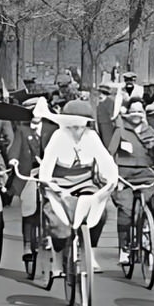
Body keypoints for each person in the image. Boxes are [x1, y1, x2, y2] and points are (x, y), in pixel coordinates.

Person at [38, 99, 117, 279]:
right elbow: (46, 168)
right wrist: (52, 186)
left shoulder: (92, 137)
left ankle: (90, 252)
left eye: (81, 126)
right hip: (58, 184)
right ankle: (58, 258)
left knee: (99, 214)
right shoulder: (57, 137)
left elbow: (106, 161)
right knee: (60, 225)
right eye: (72, 126)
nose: (77, 130)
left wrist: (111, 180)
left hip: (85, 183)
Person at [107, 96, 154, 267]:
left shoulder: (149, 131)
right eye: (133, 111)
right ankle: (124, 247)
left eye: (140, 111)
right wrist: (113, 174)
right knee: (126, 209)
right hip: (124, 175)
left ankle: (150, 238)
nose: (136, 115)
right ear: (127, 113)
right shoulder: (121, 130)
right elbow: (110, 153)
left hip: (145, 173)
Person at [10, 96, 55, 265]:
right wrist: (13, 159)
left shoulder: (51, 129)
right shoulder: (22, 129)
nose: (35, 115)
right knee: (29, 206)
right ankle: (27, 244)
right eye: (32, 112)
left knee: (53, 202)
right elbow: (15, 146)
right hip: (29, 171)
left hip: (48, 171)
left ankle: (50, 235)